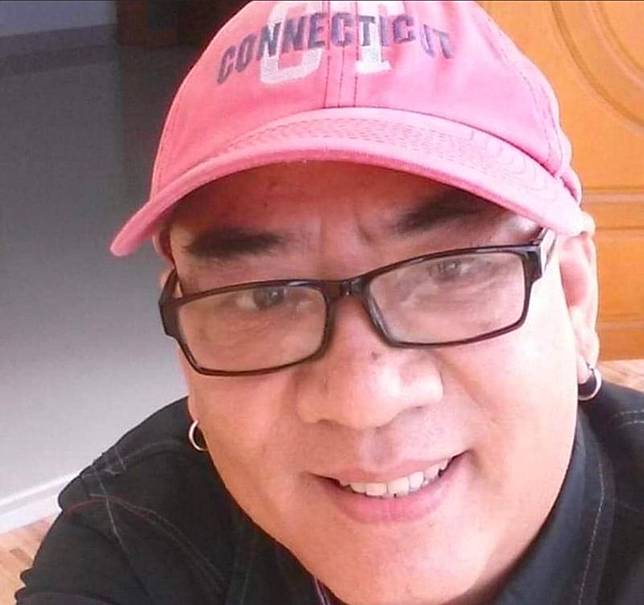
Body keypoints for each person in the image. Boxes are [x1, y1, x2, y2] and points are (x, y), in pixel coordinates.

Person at [16, 2, 644, 604]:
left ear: (572, 295)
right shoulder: (132, 553)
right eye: (264, 297)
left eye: (450, 270)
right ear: (186, 350)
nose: (363, 401)